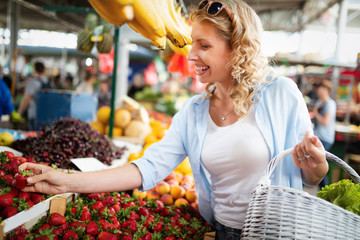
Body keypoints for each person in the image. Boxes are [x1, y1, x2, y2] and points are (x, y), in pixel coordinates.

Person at [19, 1, 328, 239]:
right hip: (220, 232)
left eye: (204, 45)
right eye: (193, 42)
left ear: (236, 50)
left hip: (278, 233)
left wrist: (316, 170)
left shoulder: (281, 95)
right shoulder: (193, 112)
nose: (191, 55)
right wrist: (65, 180)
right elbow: (147, 168)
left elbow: (309, 176)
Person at [17, 61, 50, 130]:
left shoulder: (33, 82)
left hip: (34, 114)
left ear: (34, 69)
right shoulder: (49, 82)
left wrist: (19, 113)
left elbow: (26, 98)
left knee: (33, 136)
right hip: (47, 114)